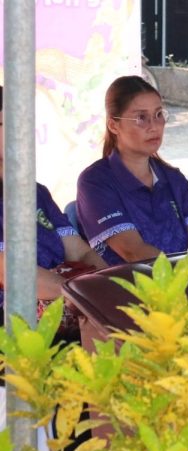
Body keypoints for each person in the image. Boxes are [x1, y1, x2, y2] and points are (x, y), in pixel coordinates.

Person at [77, 75, 188, 265]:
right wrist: (184, 279)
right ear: (114, 125)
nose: (154, 127)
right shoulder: (96, 182)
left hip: (180, 281)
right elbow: (133, 251)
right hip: (128, 284)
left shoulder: (173, 179)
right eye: (141, 118)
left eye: (159, 114)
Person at [0, 85, 106, 333]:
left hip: (67, 313)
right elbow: (11, 272)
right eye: (9, 123)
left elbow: (79, 251)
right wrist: (82, 296)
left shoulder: (36, 192)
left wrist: (108, 285)